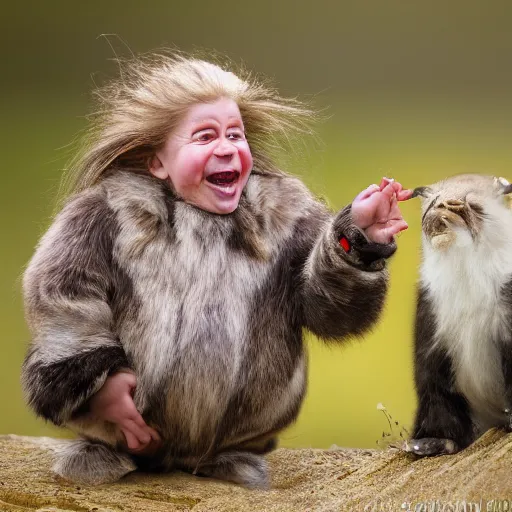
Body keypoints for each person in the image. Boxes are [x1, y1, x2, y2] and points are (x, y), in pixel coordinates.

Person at [21, 52, 412, 487]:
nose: (227, 147)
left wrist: (356, 240)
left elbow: (333, 315)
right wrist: (97, 385)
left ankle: (223, 454)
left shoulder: (283, 214)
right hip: (123, 437)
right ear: (157, 162)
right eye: (205, 136)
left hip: (231, 446)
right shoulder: (102, 216)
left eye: (235, 134)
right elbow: (59, 300)